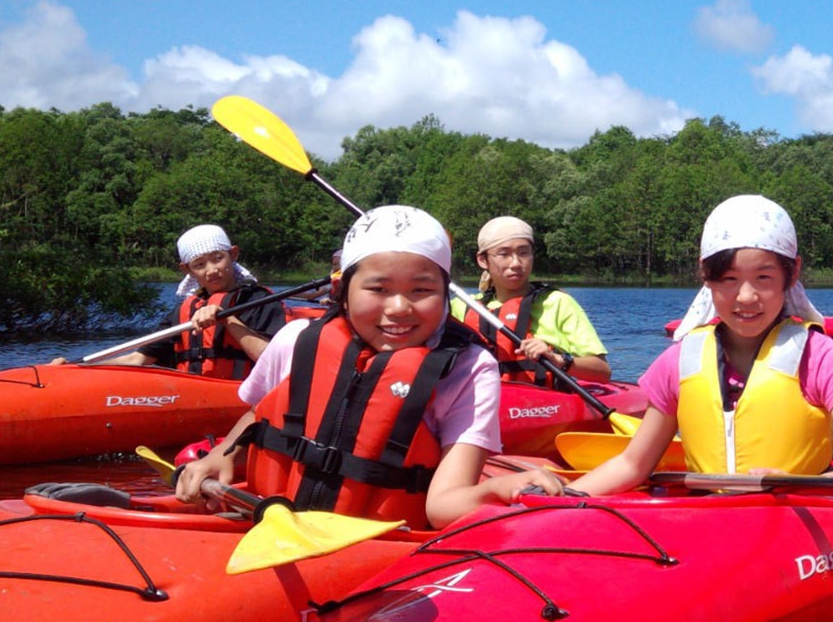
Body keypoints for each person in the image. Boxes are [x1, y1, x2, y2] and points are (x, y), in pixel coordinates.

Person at [176, 206, 564, 528]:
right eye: (377, 290)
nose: (398, 308)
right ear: (343, 291)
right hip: (266, 521)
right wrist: (221, 456)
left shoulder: (468, 368)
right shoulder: (297, 339)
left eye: (422, 290)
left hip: (379, 542)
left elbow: (444, 504)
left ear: (445, 293)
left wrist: (497, 491)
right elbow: (258, 416)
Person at [569, 195, 833, 494]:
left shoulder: (820, 357)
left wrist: (797, 485)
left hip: (799, 514)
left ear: (792, 274)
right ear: (706, 276)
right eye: (728, 279)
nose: (746, 296)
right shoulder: (678, 362)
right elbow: (632, 464)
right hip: (712, 518)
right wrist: (564, 495)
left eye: (763, 278)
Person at [56, 224, 284, 376]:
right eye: (199, 265)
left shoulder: (259, 301)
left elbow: (273, 360)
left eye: (218, 259)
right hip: (193, 395)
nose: (212, 270)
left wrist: (227, 318)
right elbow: (137, 359)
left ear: (232, 254)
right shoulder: (183, 311)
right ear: (187, 270)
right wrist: (78, 367)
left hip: (241, 396)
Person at [451, 216, 613, 386]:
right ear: (483, 260)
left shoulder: (557, 303)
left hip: (544, 407)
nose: (515, 263)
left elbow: (602, 372)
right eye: (504, 254)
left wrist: (559, 360)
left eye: (523, 253)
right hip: (482, 406)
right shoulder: (463, 306)